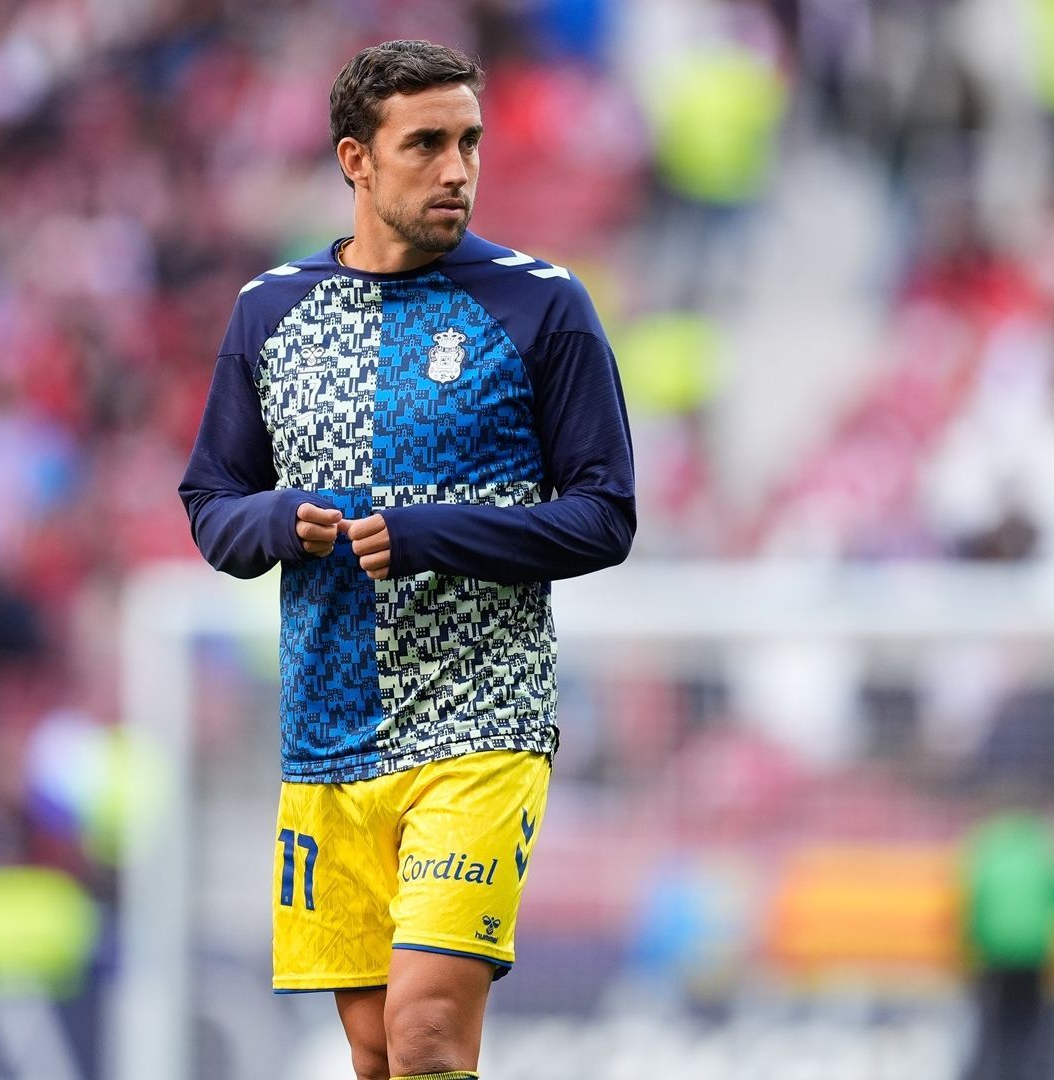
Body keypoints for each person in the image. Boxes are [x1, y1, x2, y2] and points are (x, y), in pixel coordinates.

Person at [178, 39, 636, 1080]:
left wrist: (433, 533)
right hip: (329, 736)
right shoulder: (270, 312)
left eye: (470, 142)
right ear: (356, 160)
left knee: (429, 1032)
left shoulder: (541, 306)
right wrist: (276, 521)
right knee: (379, 1051)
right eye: (425, 144)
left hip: (481, 724)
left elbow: (606, 517)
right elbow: (212, 503)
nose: (458, 169)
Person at [958, 792, 1054, 1080]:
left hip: (993, 950)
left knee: (993, 1027)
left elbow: (973, 898)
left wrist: (971, 945)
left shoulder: (986, 844)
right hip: (1034, 950)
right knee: (1032, 1026)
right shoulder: (1046, 845)